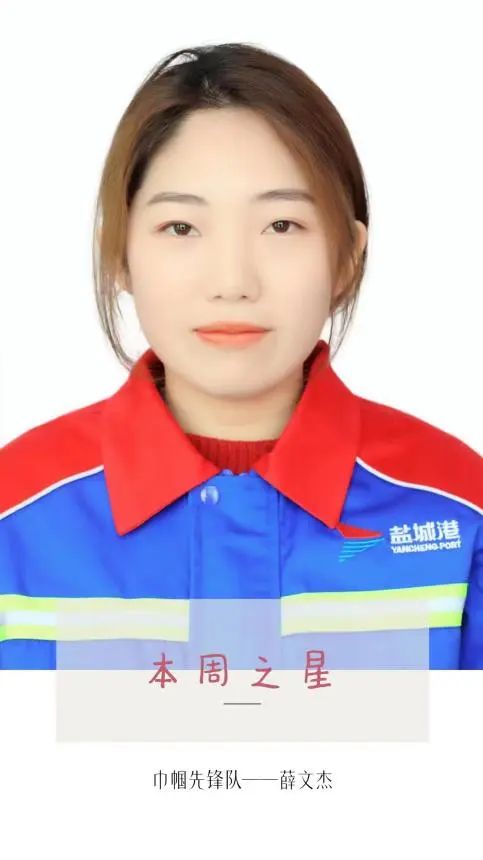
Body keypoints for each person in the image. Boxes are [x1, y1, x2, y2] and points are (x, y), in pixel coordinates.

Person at [0, 42, 481, 672]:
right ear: (120, 253)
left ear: (346, 257)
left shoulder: (458, 508)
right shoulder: (15, 513)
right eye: (181, 227)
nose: (232, 282)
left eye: (282, 225)